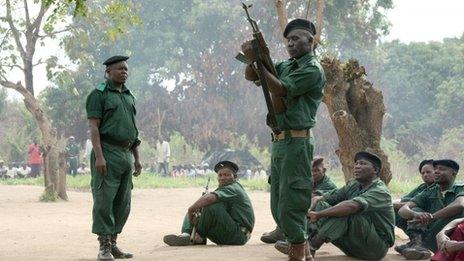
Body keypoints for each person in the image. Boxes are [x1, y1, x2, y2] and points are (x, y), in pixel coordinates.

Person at [242, 18, 326, 260]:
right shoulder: (288, 65)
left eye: (296, 38)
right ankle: (301, 248)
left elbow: (279, 89)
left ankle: (299, 249)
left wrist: (260, 62)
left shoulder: (312, 69)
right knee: (278, 200)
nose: (291, 43)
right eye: (288, 39)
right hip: (280, 140)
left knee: (293, 198)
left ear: (311, 41)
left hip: (297, 141)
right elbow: (252, 77)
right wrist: (253, 57)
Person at [86, 55, 142, 261]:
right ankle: (104, 247)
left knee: (123, 203)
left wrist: (136, 158)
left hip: (126, 154)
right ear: (108, 72)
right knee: (104, 201)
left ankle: (114, 244)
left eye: (126, 69)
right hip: (107, 152)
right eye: (120, 69)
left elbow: (133, 130)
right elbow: (94, 127)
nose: (124, 72)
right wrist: (99, 156)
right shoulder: (98, 94)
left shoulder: (129, 96)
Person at [307, 151, 395, 260]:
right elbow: (333, 196)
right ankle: (305, 238)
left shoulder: (381, 191)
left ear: (375, 170)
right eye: (356, 163)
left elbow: (352, 206)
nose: (357, 166)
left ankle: (312, 245)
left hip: (375, 249)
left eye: (362, 164)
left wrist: (318, 215)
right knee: (320, 204)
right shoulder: (354, 184)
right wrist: (317, 199)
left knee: (348, 212)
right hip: (351, 247)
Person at [163, 161, 255, 246]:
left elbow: (210, 199)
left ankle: (198, 237)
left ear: (234, 177)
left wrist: (191, 209)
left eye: (227, 175)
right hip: (229, 231)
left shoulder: (234, 188)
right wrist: (196, 210)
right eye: (220, 175)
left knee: (208, 205)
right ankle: (186, 235)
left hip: (238, 235)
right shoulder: (225, 189)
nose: (223, 178)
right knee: (199, 207)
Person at [398, 159, 464, 260]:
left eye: (441, 169)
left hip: (454, 234)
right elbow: (403, 209)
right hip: (434, 233)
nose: (436, 171)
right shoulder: (430, 191)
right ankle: (418, 244)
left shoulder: (460, 187)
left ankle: (419, 247)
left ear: (453, 173)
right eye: (435, 169)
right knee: (415, 210)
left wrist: (432, 217)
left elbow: (459, 205)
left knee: (458, 212)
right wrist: (415, 214)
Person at [274, 156, 338, 255]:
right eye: (311, 170)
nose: (313, 173)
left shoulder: (328, 185)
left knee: (307, 208)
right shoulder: (309, 180)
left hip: (326, 218)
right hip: (314, 214)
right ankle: (282, 233)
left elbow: (310, 199)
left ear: (324, 170)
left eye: (317, 170)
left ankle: (299, 244)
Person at [394, 159, 435, 254]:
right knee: (396, 212)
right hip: (421, 219)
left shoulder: (438, 187)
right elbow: (405, 201)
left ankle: (419, 244)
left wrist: (386, 205)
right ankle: (414, 241)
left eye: (428, 172)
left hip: (433, 220)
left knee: (413, 209)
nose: (425, 175)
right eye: (423, 173)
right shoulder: (422, 187)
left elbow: (408, 205)